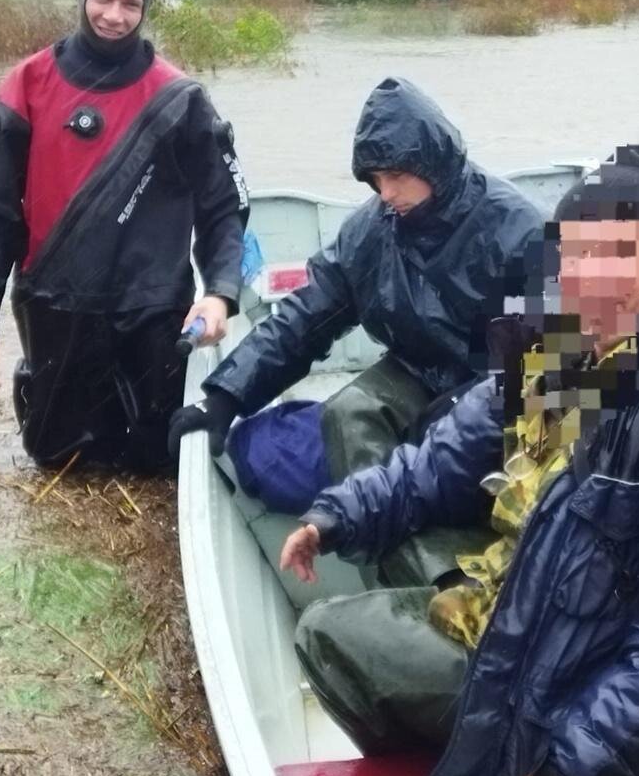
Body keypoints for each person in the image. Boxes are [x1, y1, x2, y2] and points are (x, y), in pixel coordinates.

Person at [280, 145, 639, 776]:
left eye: (620, 254)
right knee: (398, 530)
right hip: (547, 597)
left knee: (327, 634)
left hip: (589, 681)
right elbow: (445, 456)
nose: (592, 277)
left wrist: (571, 762)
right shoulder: (569, 345)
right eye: (578, 253)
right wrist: (337, 517)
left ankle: (470, 757)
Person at [168, 77, 542, 523]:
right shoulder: (371, 230)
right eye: (376, 179)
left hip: (502, 394)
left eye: (397, 176)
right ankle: (413, 546)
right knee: (321, 426)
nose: (386, 193)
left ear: (434, 164)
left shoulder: (518, 230)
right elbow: (306, 317)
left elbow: (555, 359)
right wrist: (225, 396)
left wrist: (469, 407)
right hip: (416, 374)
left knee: (462, 462)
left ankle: (444, 559)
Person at [0, 0, 249, 472]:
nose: (114, 16)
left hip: (152, 306)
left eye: (131, 4)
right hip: (57, 298)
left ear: (146, 9)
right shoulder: (27, 85)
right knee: (58, 459)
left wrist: (222, 294)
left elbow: (224, 206)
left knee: (157, 459)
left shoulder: (179, 97)